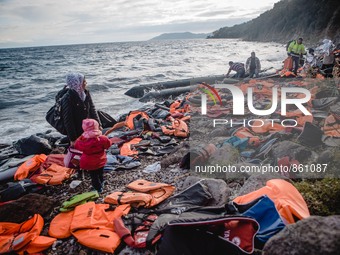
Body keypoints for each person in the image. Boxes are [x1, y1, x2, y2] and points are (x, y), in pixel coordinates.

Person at [61, 72, 101, 145]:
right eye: (83, 81)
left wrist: (99, 125)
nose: (86, 83)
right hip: (77, 130)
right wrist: (73, 139)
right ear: (76, 82)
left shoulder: (85, 93)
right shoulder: (67, 98)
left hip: (88, 127)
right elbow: (68, 120)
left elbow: (92, 109)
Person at [74, 119, 112, 193]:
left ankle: (98, 188)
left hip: (89, 162)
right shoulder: (102, 138)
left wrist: (80, 137)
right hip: (101, 159)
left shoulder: (82, 140)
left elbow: (77, 146)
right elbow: (108, 144)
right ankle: (102, 183)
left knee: (93, 176)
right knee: (100, 172)